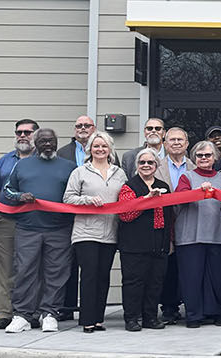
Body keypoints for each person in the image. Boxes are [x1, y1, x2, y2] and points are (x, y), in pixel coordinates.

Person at [2, 128, 77, 334]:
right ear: (36, 143)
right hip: (28, 228)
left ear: (56, 142)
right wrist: (20, 196)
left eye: (51, 141)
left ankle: (50, 314)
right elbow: (7, 190)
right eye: (43, 141)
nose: (47, 144)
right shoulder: (22, 165)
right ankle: (22, 316)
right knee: (24, 271)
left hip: (60, 228)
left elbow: (76, 193)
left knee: (57, 273)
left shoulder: (69, 167)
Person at [63, 130, 126, 333]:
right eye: (96, 146)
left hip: (110, 232)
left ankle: (98, 319)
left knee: (103, 276)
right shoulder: (80, 172)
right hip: (86, 232)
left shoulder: (120, 173)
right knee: (89, 275)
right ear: (90, 149)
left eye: (104, 146)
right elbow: (68, 198)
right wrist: (87, 200)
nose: (100, 149)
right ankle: (87, 320)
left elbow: (126, 199)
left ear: (110, 150)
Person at [172, 140, 221, 328]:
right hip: (190, 235)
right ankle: (193, 315)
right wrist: (198, 192)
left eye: (208, 155)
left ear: (215, 158)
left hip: (217, 234)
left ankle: (216, 312)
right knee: (192, 277)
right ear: (194, 157)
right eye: (200, 155)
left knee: (217, 278)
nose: (204, 158)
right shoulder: (186, 177)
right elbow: (179, 197)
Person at [0, 118, 37, 329]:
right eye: (19, 132)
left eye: (27, 132)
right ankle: (4, 313)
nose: (23, 136)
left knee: (30, 268)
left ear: (36, 134)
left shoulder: (43, 159)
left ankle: (30, 312)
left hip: (33, 220)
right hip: (4, 219)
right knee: (4, 268)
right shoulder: (5, 160)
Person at [117, 148, 172, 331]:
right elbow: (126, 214)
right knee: (134, 283)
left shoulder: (163, 185)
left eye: (150, 162)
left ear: (156, 165)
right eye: (142, 163)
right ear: (137, 166)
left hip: (159, 243)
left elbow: (169, 215)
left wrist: (168, 241)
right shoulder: (129, 186)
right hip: (135, 244)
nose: (146, 165)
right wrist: (146, 199)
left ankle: (150, 318)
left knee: (155, 282)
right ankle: (132, 318)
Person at [58, 114, 96, 322]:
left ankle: (90, 308)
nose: (82, 128)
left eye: (86, 125)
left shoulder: (104, 149)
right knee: (68, 263)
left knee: (91, 267)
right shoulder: (63, 153)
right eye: (79, 126)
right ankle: (67, 306)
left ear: (94, 128)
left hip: (97, 218)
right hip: (69, 217)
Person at [156, 127, 190, 324]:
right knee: (167, 268)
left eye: (180, 140)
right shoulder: (155, 166)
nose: (176, 143)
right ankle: (169, 307)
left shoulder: (196, 167)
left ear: (186, 144)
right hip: (164, 224)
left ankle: (189, 305)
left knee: (186, 267)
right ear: (165, 144)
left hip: (188, 221)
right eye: (172, 140)